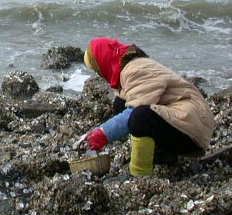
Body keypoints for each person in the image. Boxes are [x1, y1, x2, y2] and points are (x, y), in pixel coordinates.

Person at [82, 37, 215, 176]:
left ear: (104, 61)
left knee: (139, 118)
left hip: (193, 124)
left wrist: (102, 134)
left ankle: (140, 174)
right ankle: (162, 155)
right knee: (121, 104)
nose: (98, 73)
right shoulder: (127, 66)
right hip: (185, 121)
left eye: (97, 68)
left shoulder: (135, 69)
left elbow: (135, 111)